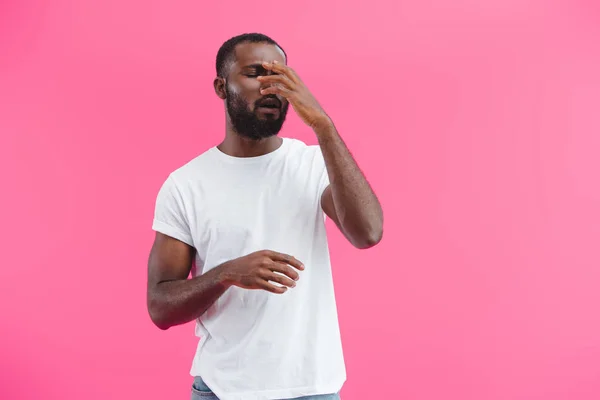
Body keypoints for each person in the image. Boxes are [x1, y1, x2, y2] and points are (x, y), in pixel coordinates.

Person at [146, 33, 383, 400]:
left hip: (312, 390)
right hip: (222, 390)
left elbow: (368, 232)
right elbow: (160, 307)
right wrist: (226, 274)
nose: (270, 87)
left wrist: (322, 124)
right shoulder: (186, 185)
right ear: (221, 87)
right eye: (255, 73)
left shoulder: (314, 164)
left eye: (280, 76)